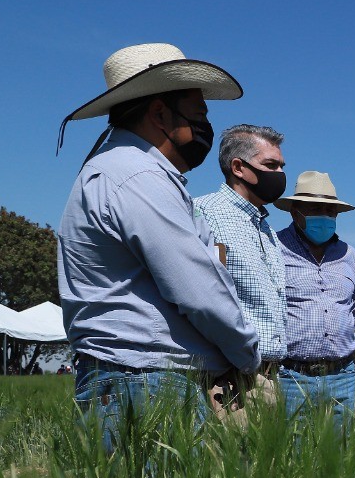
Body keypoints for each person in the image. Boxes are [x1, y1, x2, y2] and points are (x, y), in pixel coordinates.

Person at [56, 43, 260, 453]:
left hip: (136, 381)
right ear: (160, 114)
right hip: (146, 382)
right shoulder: (138, 175)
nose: (207, 124)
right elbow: (198, 290)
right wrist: (248, 355)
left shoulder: (124, 170)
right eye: (199, 113)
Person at [194, 125, 289, 418]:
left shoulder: (265, 228)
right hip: (229, 379)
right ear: (238, 167)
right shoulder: (204, 213)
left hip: (269, 375)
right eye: (270, 165)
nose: (279, 174)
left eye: (281, 167)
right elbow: (202, 297)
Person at [274, 171, 355, 431]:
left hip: (342, 375)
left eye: (330, 211)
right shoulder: (274, 248)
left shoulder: (350, 256)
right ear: (295, 211)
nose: (324, 216)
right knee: (294, 454)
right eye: (315, 209)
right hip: (291, 376)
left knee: (341, 457)